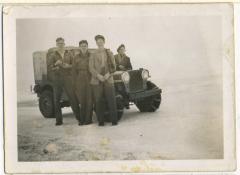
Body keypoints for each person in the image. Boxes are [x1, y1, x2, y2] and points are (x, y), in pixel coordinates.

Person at [47, 37, 80, 126]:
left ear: (64, 44)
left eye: (62, 43)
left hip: (67, 78)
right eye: (59, 43)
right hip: (57, 79)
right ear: (56, 45)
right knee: (56, 100)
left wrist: (68, 66)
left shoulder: (69, 54)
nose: (61, 45)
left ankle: (79, 118)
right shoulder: (52, 55)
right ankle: (59, 121)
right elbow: (49, 68)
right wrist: (55, 65)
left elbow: (74, 65)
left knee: (73, 98)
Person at [89, 35, 118, 126]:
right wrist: (98, 76)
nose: (99, 42)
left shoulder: (109, 52)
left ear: (104, 41)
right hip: (97, 80)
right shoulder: (93, 54)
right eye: (98, 41)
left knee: (112, 100)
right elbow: (90, 67)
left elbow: (114, 66)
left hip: (108, 79)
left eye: (101, 40)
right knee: (98, 101)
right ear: (96, 43)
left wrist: (108, 74)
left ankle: (114, 120)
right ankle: (101, 121)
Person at [72, 40, 93, 125]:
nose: (83, 47)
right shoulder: (76, 57)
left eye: (85, 45)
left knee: (89, 100)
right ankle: (81, 120)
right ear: (79, 47)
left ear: (87, 46)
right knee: (82, 100)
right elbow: (73, 71)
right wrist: (75, 83)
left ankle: (88, 120)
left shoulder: (91, 55)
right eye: (82, 46)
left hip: (89, 78)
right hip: (80, 79)